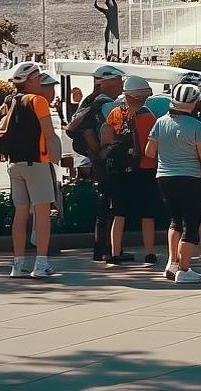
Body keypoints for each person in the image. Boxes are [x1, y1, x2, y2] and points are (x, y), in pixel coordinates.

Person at [0, 62, 59, 279]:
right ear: (30, 80)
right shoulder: (37, 100)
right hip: (36, 162)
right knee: (42, 213)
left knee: (20, 213)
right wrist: (56, 155)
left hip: (14, 164)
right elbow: (49, 133)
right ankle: (41, 263)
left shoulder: (9, 101)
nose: (41, 81)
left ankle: (17, 264)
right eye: (38, 78)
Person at [147, 83, 201, 283]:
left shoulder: (160, 122)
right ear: (194, 103)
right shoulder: (196, 126)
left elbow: (149, 152)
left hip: (164, 177)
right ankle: (184, 270)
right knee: (191, 224)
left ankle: (172, 263)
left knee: (175, 220)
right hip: (190, 178)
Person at [68, 64, 126, 262]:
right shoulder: (105, 104)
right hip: (108, 162)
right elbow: (89, 131)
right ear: (107, 82)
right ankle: (109, 249)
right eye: (119, 81)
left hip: (98, 161)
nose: (122, 85)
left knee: (104, 204)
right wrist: (101, 152)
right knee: (112, 206)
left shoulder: (88, 101)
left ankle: (101, 249)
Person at [102, 76, 160, 266]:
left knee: (119, 212)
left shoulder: (115, 113)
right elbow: (152, 146)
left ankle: (115, 252)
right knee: (147, 213)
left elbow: (106, 139)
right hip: (145, 167)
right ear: (143, 96)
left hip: (119, 169)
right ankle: (149, 253)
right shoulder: (148, 117)